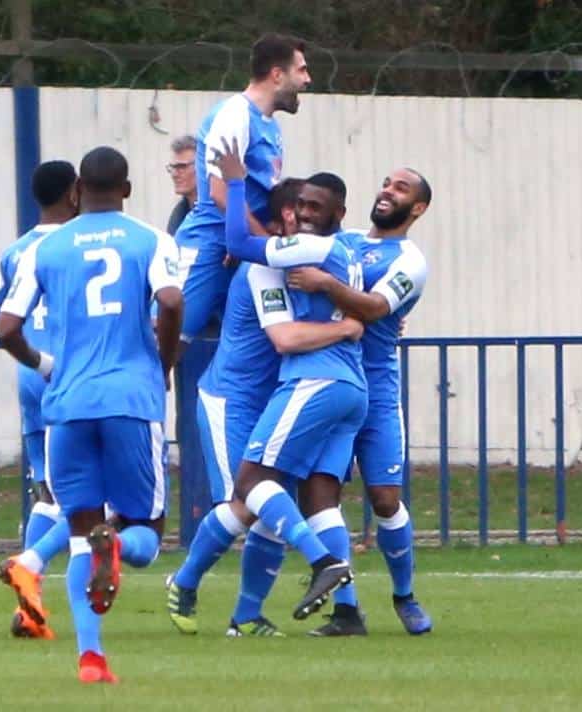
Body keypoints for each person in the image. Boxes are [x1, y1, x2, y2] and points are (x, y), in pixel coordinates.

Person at [0, 146, 183, 684]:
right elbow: (170, 302)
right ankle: (118, 545)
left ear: (76, 190)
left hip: (67, 405)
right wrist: (163, 363)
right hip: (130, 398)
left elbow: (7, 328)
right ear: (126, 189)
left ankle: (91, 658)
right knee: (146, 528)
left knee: (79, 532)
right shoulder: (151, 239)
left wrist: (43, 363)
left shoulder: (47, 248)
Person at [168, 177, 365, 637]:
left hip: (289, 392)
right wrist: (350, 326)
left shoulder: (306, 259)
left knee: (267, 501)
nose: (299, 219)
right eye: (293, 212)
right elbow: (285, 338)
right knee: (249, 500)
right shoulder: (263, 269)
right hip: (231, 397)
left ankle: (246, 613)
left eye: (308, 210)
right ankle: (188, 582)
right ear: (277, 223)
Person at [174, 32, 311, 549]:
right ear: (276, 73)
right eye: (302, 69)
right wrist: (257, 237)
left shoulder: (270, 128)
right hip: (214, 242)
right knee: (165, 343)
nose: (307, 80)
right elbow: (217, 190)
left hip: (242, 240)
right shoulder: (235, 113)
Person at [286, 167, 433, 635]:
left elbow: (374, 308)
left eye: (401, 188)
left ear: (419, 208)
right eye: (387, 182)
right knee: (320, 493)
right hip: (332, 383)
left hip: (376, 388)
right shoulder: (343, 239)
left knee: (384, 497)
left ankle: (404, 595)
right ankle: (347, 611)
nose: (388, 190)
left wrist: (327, 286)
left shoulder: (411, 260)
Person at [0, 160, 78, 640]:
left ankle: (29, 606)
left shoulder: (16, 251)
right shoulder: (77, 244)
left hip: (30, 376)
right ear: (74, 193)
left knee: (44, 487)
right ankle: (29, 585)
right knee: (81, 491)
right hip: (67, 375)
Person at [166, 134, 198, 235]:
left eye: (182, 167)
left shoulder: (221, 208)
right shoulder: (179, 213)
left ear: (202, 166)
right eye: (172, 167)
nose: (174, 174)